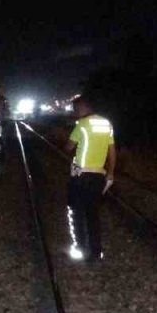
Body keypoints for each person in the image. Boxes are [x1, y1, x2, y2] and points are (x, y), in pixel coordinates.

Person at [62, 94, 116, 262]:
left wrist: (68, 144)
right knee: (92, 214)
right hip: (98, 176)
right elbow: (112, 151)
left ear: (83, 108)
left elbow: (69, 147)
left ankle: (79, 248)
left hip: (80, 176)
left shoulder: (82, 125)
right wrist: (111, 172)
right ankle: (96, 252)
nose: (75, 113)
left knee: (75, 211)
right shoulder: (107, 124)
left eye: (75, 109)